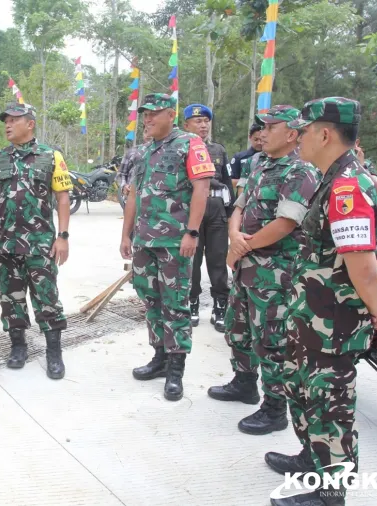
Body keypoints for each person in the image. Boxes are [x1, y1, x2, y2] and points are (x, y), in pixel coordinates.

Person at [264, 98, 377, 506]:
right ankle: (311, 459)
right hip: (309, 316)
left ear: (324, 134)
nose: (297, 137)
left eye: (303, 131)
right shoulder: (329, 177)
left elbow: (362, 263)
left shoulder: (347, 187)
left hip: (333, 324)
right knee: (302, 392)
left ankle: (330, 493)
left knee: (329, 405)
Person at [207, 105, 321, 436]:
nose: (263, 131)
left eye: (271, 127)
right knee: (237, 330)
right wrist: (233, 235)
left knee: (272, 341)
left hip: (275, 273)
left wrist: (245, 245)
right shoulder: (261, 165)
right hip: (246, 269)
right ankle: (244, 384)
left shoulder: (301, 172)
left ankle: (274, 409)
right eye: (262, 126)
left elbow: (287, 222)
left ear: (291, 135)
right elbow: (239, 206)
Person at [121, 93, 215, 401]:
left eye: (154, 114)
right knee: (150, 300)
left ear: (170, 115)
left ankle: (176, 369)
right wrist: (126, 235)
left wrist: (192, 232)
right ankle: (159, 356)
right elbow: (133, 195)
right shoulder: (144, 152)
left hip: (175, 241)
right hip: (144, 240)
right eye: (144, 114)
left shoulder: (190, 144)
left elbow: (202, 189)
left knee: (175, 303)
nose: (147, 119)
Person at [0, 102, 72, 380]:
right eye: (5, 120)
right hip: (6, 244)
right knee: (9, 297)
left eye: (14, 120)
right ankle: (18, 347)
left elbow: (63, 197)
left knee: (47, 298)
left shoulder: (51, 157)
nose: (7, 124)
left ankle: (54, 352)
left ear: (30, 123)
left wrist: (63, 237)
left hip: (41, 245)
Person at [182, 103, 232, 332]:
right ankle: (192, 303)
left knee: (218, 259)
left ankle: (220, 306)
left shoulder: (219, 150)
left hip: (216, 209)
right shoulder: (181, 149)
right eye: (198, 121)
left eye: (206, 121)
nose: (203, 125)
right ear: (186, 125)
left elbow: (228, 183)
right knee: (192, 261)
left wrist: (230, 215)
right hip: (193, 209)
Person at [229, 123, 264, 196]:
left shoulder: (272, 157)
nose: (259, 143)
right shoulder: (240, 157)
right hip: (244, 198)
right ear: (250, 137)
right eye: (256, 139)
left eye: (262, 139)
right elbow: (230, 181)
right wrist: (247, 182)